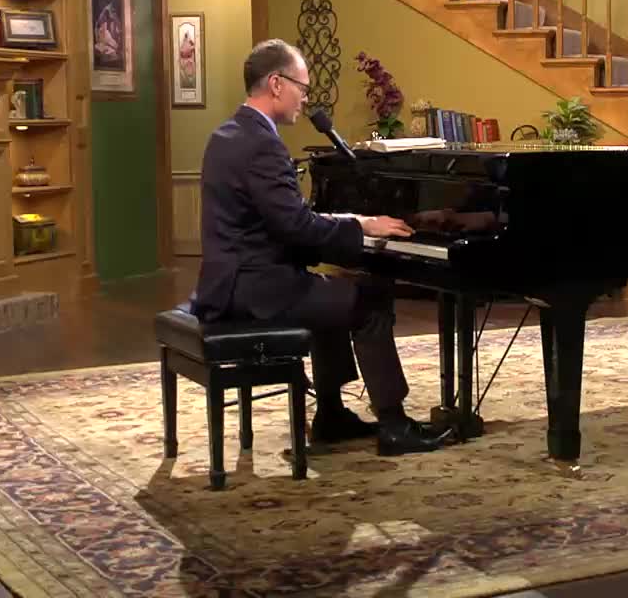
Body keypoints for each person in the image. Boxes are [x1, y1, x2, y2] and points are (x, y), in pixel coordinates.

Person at [188, 38, 451, 457]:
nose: (305, 99)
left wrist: (355, 223)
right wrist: (361, 232)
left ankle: (330, 414)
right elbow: (296, 227)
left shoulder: (228, 133)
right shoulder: (263, 144)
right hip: (257, 290)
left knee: (329, 293)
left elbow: (283, 221)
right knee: (368, 298)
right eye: (302, 88)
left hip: (231, 281)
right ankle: (394, 423)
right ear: (276, 83)